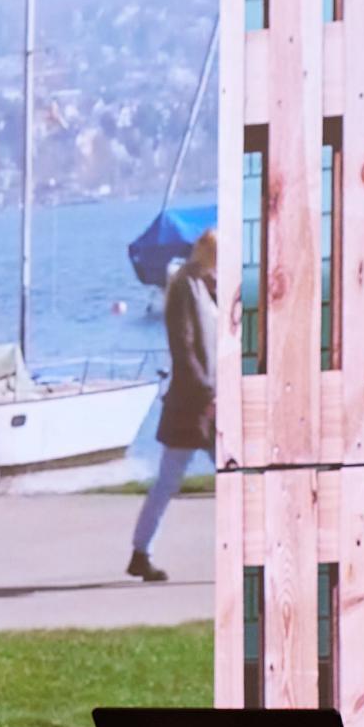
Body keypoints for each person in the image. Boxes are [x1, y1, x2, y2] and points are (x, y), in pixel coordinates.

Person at [127, 229, 217, 583]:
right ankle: (140, 551)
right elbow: (184, 345)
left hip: (210, 402)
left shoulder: (206, 287)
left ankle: (140, 551)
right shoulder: (184, 287)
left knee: (230, 477)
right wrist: (207, 391)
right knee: (169, 481)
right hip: (193, 405)